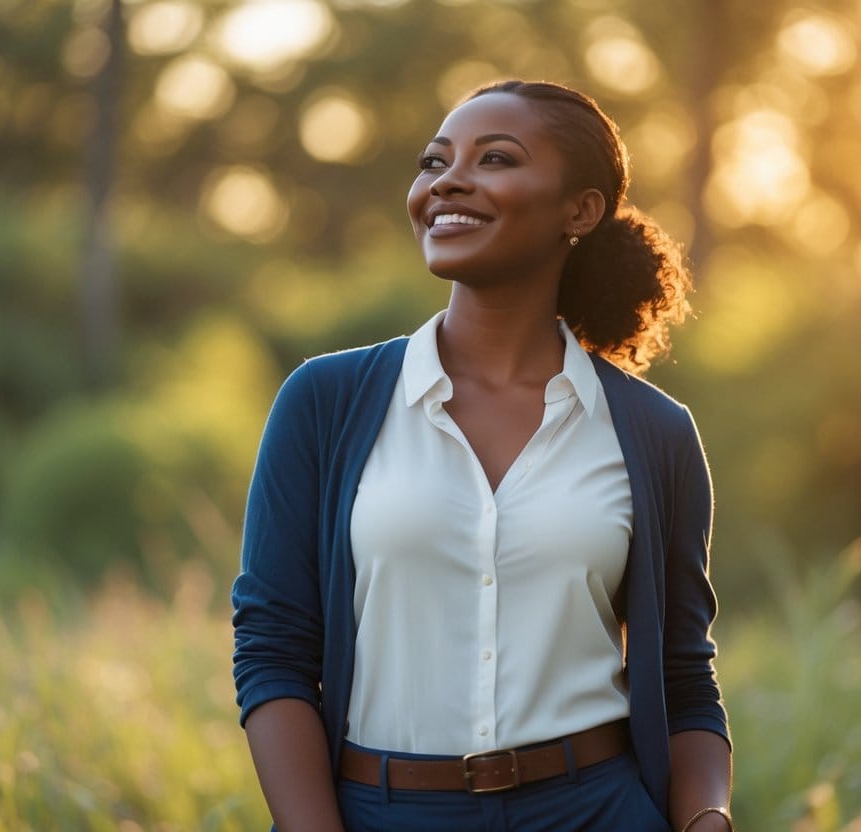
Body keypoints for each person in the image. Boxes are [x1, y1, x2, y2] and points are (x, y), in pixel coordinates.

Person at [232, 79, 733, 832]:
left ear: (581, 209)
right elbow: (273, 649)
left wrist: (705, 818)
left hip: (597, 809)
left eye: (494, 158)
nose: (448, 181)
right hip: (381, 812)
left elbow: (683, 676)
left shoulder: (653, 432)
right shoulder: (325, 401)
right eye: (434, 162)